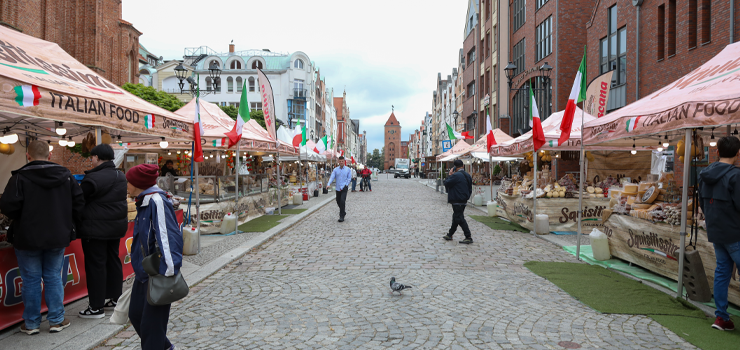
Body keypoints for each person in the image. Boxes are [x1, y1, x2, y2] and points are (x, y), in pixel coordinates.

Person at [0, 140, 84, 335]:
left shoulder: (19, 178)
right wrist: (68, 222)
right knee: (53, 276)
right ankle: (56, 320)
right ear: (49, 155)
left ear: (27, 156)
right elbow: (79, 203)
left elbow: (7, 207)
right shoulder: (66, 176)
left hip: (27, 236)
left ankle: (31, 323)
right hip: (57, 234)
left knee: (30, 279)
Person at [126, 164, 183, 350]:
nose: (126, 185)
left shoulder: (156, 201)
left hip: (157, 274)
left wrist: (167, 273)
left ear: (139, 183)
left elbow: (168, 237)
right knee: (135, 314)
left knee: (151, 328)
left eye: (129, 181)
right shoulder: (144, 200)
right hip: (144, 272)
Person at [77, 144, 128, 318]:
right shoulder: (120, 175)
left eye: (92, 157)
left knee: (96, 266)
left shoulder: (93, 178)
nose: (91, 160)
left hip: (95, 229)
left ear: (97, 158)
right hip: (115, 227)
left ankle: (96, 307)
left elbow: (78, 199)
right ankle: (115, 298)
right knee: (113, 260)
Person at [698, 136, 740, 331]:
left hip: (716, 231)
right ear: (738, 154)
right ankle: (722, 318)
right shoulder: (735, 175)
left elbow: (702, 204)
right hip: (734, 232)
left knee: (722, 272)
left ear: (716, 152)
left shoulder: (705, 174)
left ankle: (721, 317)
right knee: (722, 272)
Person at [443, 159, 473, 244]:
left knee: (459, 218)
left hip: (457, 199)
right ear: (463, 166)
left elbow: (446, 183)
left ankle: (468, 236)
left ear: (455, 167)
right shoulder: (467, 175)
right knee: (456, 217)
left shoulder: (456, 175)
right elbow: (470, 188)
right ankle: (450, 234)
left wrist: (449, 175)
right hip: (464, 199)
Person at [327, 156, 352, 222]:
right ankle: (343, 211)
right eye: (340, 161)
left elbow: (349, 178)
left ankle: (341, 216)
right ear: (338, 162)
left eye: (342, 161)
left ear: (344, 161)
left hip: (344, 187)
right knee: (338, 200)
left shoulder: (348, 169)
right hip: (338, 188)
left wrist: (346, 185)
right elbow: (332, 177)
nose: (341, 162)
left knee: (342, 201)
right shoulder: (335, 170)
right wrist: (328, 184)